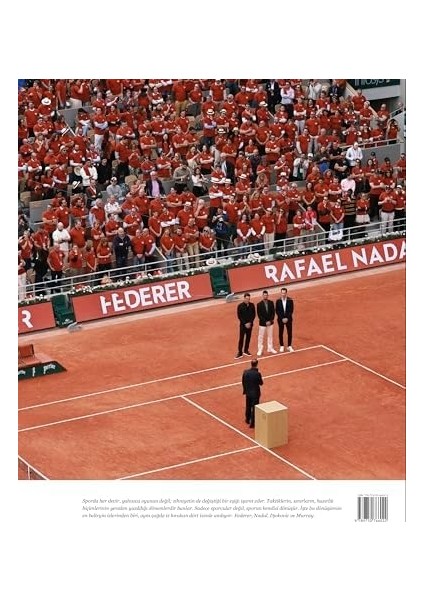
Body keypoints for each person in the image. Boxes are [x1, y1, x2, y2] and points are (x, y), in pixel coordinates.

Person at [242, 358, 263, 428]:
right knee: (254, 408)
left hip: (248, 392)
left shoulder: (245, 372)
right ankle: (252, 424)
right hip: (255, 394)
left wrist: (245, 390)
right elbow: (261, 383)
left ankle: (247, 419)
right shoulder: (257, 374)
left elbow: (243, 382)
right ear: (257, 364)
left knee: (248, 406)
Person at [235, 292, 256, 359]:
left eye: (249, 299)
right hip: (243, 326)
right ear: (244, 298)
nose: (247, 300)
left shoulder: (252, 305)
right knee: (241, 339)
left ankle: (246, 350)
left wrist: (250, 322)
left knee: (248, 338)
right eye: (246, 299)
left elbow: (254, 315)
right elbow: (239, 316)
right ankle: (240, 353)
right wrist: (245, 323)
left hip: (250, 325)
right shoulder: (240, 306)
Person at [256, 290, 277, 356]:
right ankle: (260, 349)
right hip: (262, 324)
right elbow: (259, 315)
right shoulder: (259, 304)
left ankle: (270, 348)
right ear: (262, 296)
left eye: (266, 295)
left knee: (270, 336)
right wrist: (265, 322)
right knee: (261, 337)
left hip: (270, 323)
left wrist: (270, 321)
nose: (265, 296)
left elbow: (273, 313)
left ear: (268, 296)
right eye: (264, 295)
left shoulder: (271, 303)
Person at [275, 287, 294, 352]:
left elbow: (291, 310)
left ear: (286, 293)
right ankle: (282, 346)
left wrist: (287, 318)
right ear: (281, 293)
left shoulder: (290, 300)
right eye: (282, 293)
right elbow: (277, 311)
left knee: (289, 332)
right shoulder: (278, 301)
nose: (283, 294)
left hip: (289, 319)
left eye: (284, 293)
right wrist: (282, 318)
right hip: (281, 320)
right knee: (281, 332)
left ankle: (289, 346)